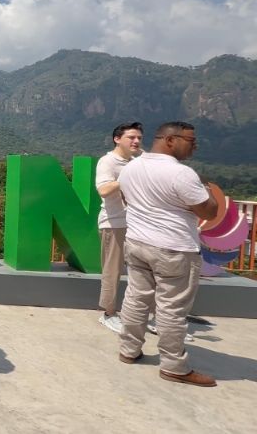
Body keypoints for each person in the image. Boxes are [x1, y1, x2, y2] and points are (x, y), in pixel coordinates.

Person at [117, 121, 218, 387]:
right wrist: (209, 192)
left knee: (136, 298)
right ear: (170, 140)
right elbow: (209, 212)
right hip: (174, 248)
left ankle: (129, 349)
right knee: (172, 308)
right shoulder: (182, 174)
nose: (195, 146)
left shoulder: (131, 168)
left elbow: (127, 200)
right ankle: (174, 366)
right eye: (191, 141)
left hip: (137, 242)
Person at [95, 122, 143, 333]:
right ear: (117, 139)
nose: (136, 141)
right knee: (112, 271)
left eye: (139, 138)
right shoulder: (107, 162)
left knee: (143, 272)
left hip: (138, 225)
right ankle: (108, 313)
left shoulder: (137, 161)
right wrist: (127, 174)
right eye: (131, 137)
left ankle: (142, 316)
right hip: (114, 223)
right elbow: (104, 190)